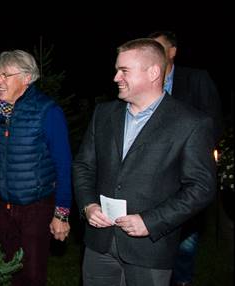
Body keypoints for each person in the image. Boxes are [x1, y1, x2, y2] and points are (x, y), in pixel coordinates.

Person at [72, 38, 216, 286]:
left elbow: (201, 187)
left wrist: (150, 221)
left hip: (149, 250)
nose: (116, 77)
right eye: (117, 70)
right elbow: (84, 166)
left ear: (153, 72)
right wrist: (88, 206)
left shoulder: (190, 123)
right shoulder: (104, 114)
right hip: (99, 243)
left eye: (124, 71)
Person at [0, 50, 72, 286]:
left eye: (5, 75)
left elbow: (63, 165)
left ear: (26, 78)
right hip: (0, 206)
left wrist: (61, 214)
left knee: (31, 274)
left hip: (35, 208)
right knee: (6, 270)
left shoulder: (47, 112)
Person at [149, 30, 223, 286]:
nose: (153, 52)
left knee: (185, 244)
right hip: (153, 179)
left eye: (159, 47)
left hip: (187, 176)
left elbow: (212, 123)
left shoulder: (197, 78)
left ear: (173, 51)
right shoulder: (146, 84)